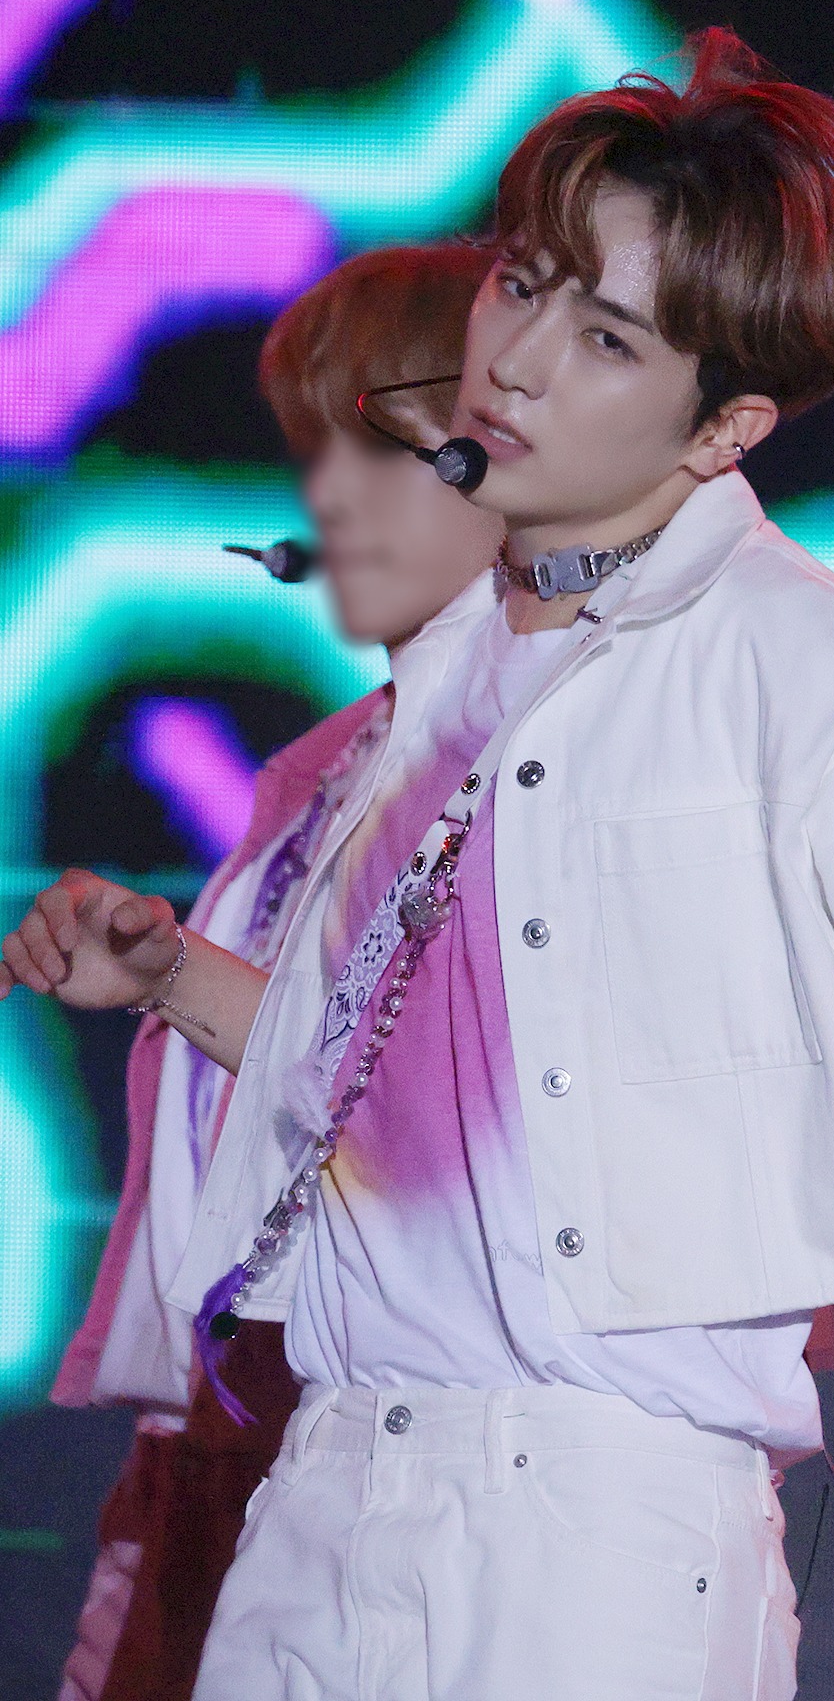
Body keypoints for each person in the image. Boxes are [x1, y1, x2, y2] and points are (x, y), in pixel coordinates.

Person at [7, 30, 834, 1700]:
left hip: (591, 1525)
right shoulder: (443, 678)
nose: (515, 360)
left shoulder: (802, 652)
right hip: (326, 1494)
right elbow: (391, 1094)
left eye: (607, 338)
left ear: (726, 427)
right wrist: (176, 981)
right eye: (521, 285)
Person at [50, 241, 500, 1701]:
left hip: (405, 1424)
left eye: (378, 446)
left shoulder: (551, 748)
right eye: (313, 452)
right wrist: (157, 966)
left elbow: (399, 1080)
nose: (327, 498)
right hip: (232, 1399)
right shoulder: (330, 764)